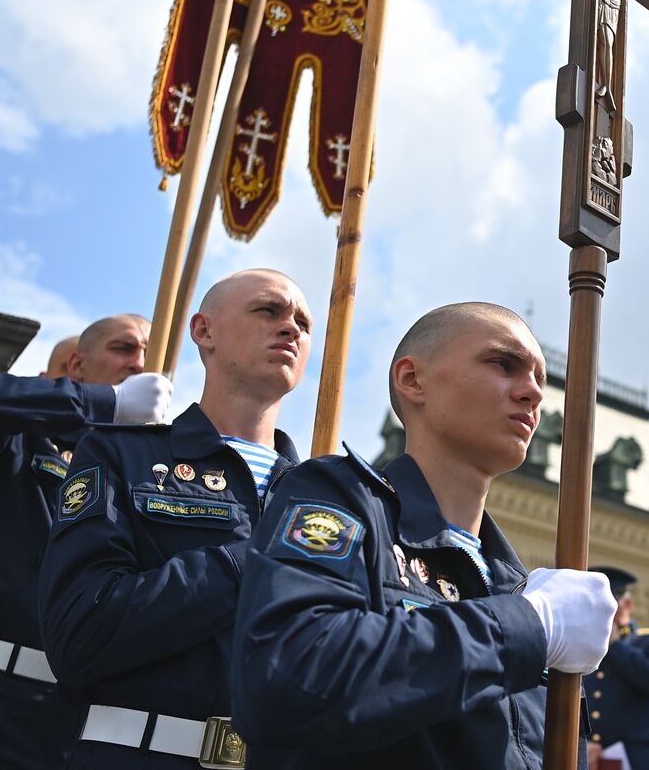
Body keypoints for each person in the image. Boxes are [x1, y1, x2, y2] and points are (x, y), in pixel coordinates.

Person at [230, 302, 615, 768]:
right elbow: (288, 675)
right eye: (503, 364)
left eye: (541, 380)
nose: (532, 392)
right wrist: (527, 626)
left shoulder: (518, 583)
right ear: (412, 380)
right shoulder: (340, 499)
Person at [39, 270, 311, 768]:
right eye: (268, 311)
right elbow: (81, 631)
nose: (291, 327)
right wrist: (252, 562)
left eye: (303, 321)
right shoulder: (121, 455)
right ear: (204, 331)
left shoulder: (326, 502)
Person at [0, 317, 170, 769]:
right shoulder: (19, 442)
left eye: (147, 357)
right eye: (124, 349)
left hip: (72, 716)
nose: (138, 364)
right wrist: (109, 402)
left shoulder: (145, 470)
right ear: (76, 366)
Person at [582, 566, 649, 770]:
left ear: (628, 604)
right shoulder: (582, 646)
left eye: (611, 602)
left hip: (639, 760)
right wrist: (582, 744)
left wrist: (615, 644)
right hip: (590, 760)